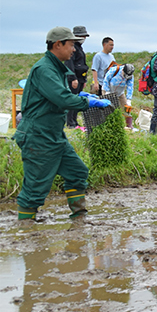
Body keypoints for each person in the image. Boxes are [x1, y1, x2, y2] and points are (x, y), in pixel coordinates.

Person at [14, 27, 112, 220]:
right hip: (38, 136)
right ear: (57, 44)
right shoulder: (44, 69)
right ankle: (25, 232)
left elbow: (61, 94)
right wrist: (88, 102)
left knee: (77, 172)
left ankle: (79, 219)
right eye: (71, 44)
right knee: (35, 187)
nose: (74, 49)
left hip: (54, 135)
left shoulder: (56, 68)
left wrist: (81, 94)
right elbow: (62, 99)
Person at [64, 26, 90, 128]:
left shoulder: (79, 48)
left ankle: (74, 121)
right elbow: (69, 64)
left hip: (80, 78)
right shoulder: (72, 48)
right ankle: (70, 122)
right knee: (72, 100)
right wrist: (73, 78)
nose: (84, 38)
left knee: (76, 100)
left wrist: (84, 80)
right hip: (74, 79)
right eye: (82, 36)